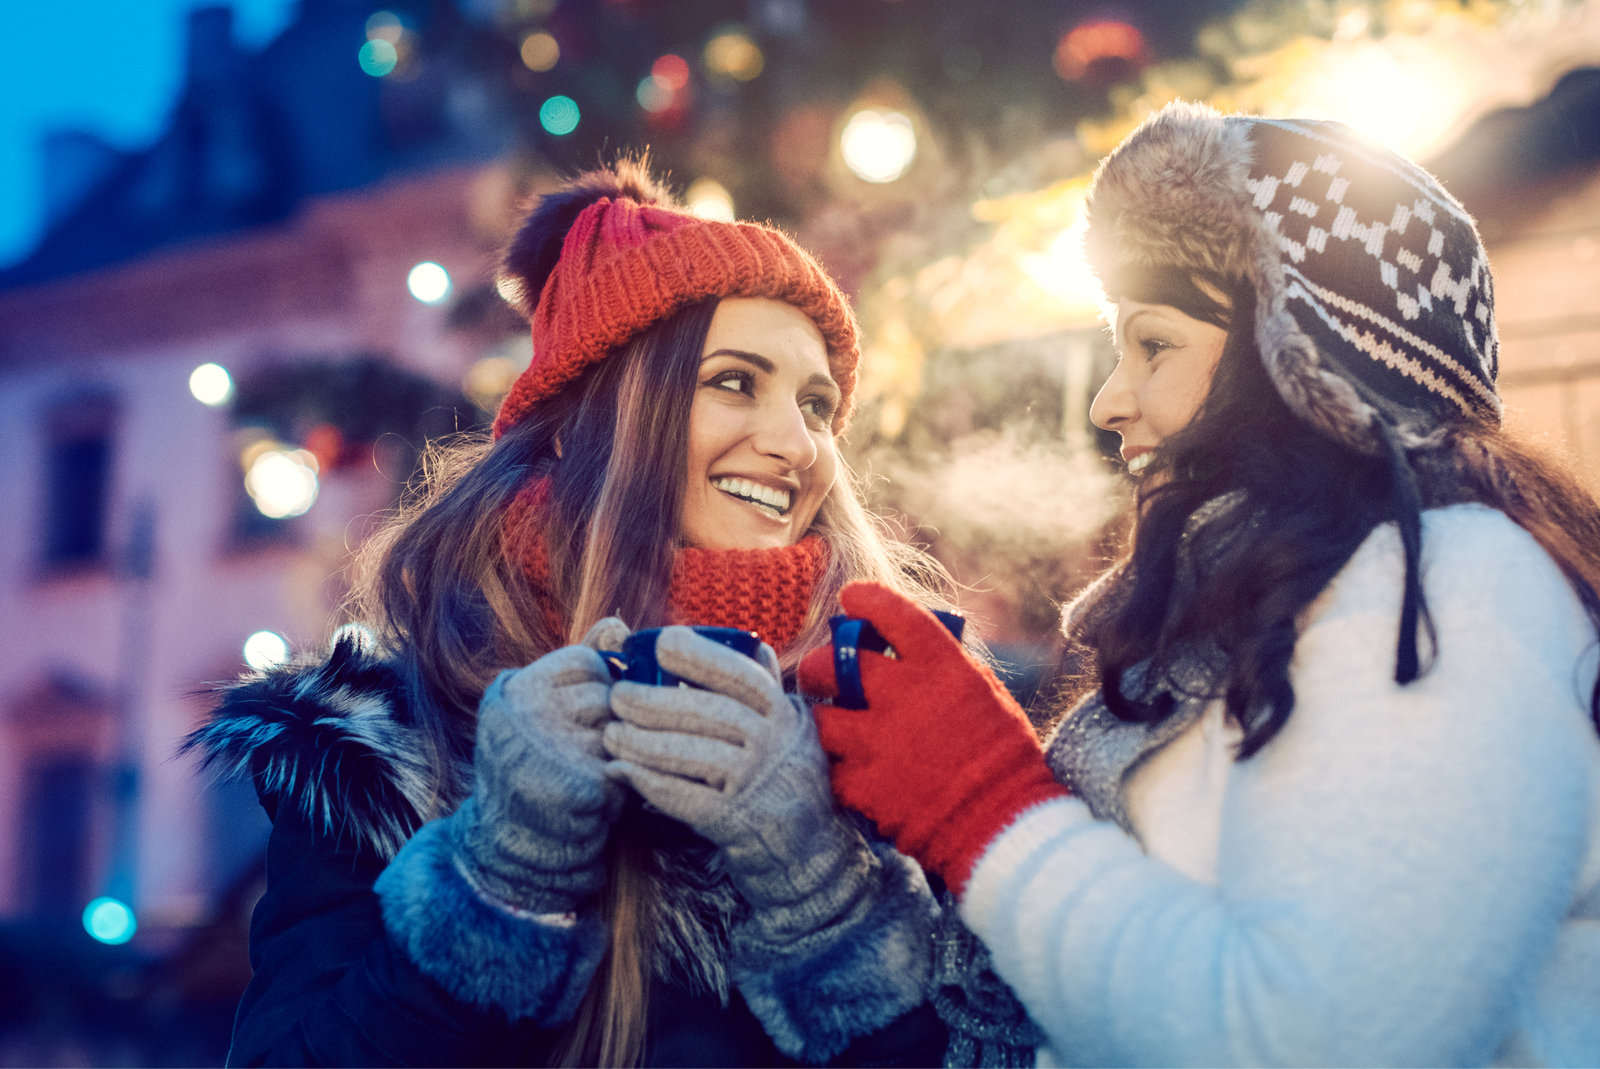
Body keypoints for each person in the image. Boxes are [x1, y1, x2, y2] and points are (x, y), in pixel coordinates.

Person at [798, 101, 1600, 1066]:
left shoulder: (1454, 589)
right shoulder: (1298, 598)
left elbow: (1324, 1044)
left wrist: (984, 804)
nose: (1107, 399)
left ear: (1302, 364)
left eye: (1155, 343)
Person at [186, 161, 957, 1067]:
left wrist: (820, 886)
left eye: (817, 403)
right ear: (585, 420)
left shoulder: (901, 708)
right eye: (735, 382)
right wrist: (498, 877)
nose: (798, 445)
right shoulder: (383, 745)